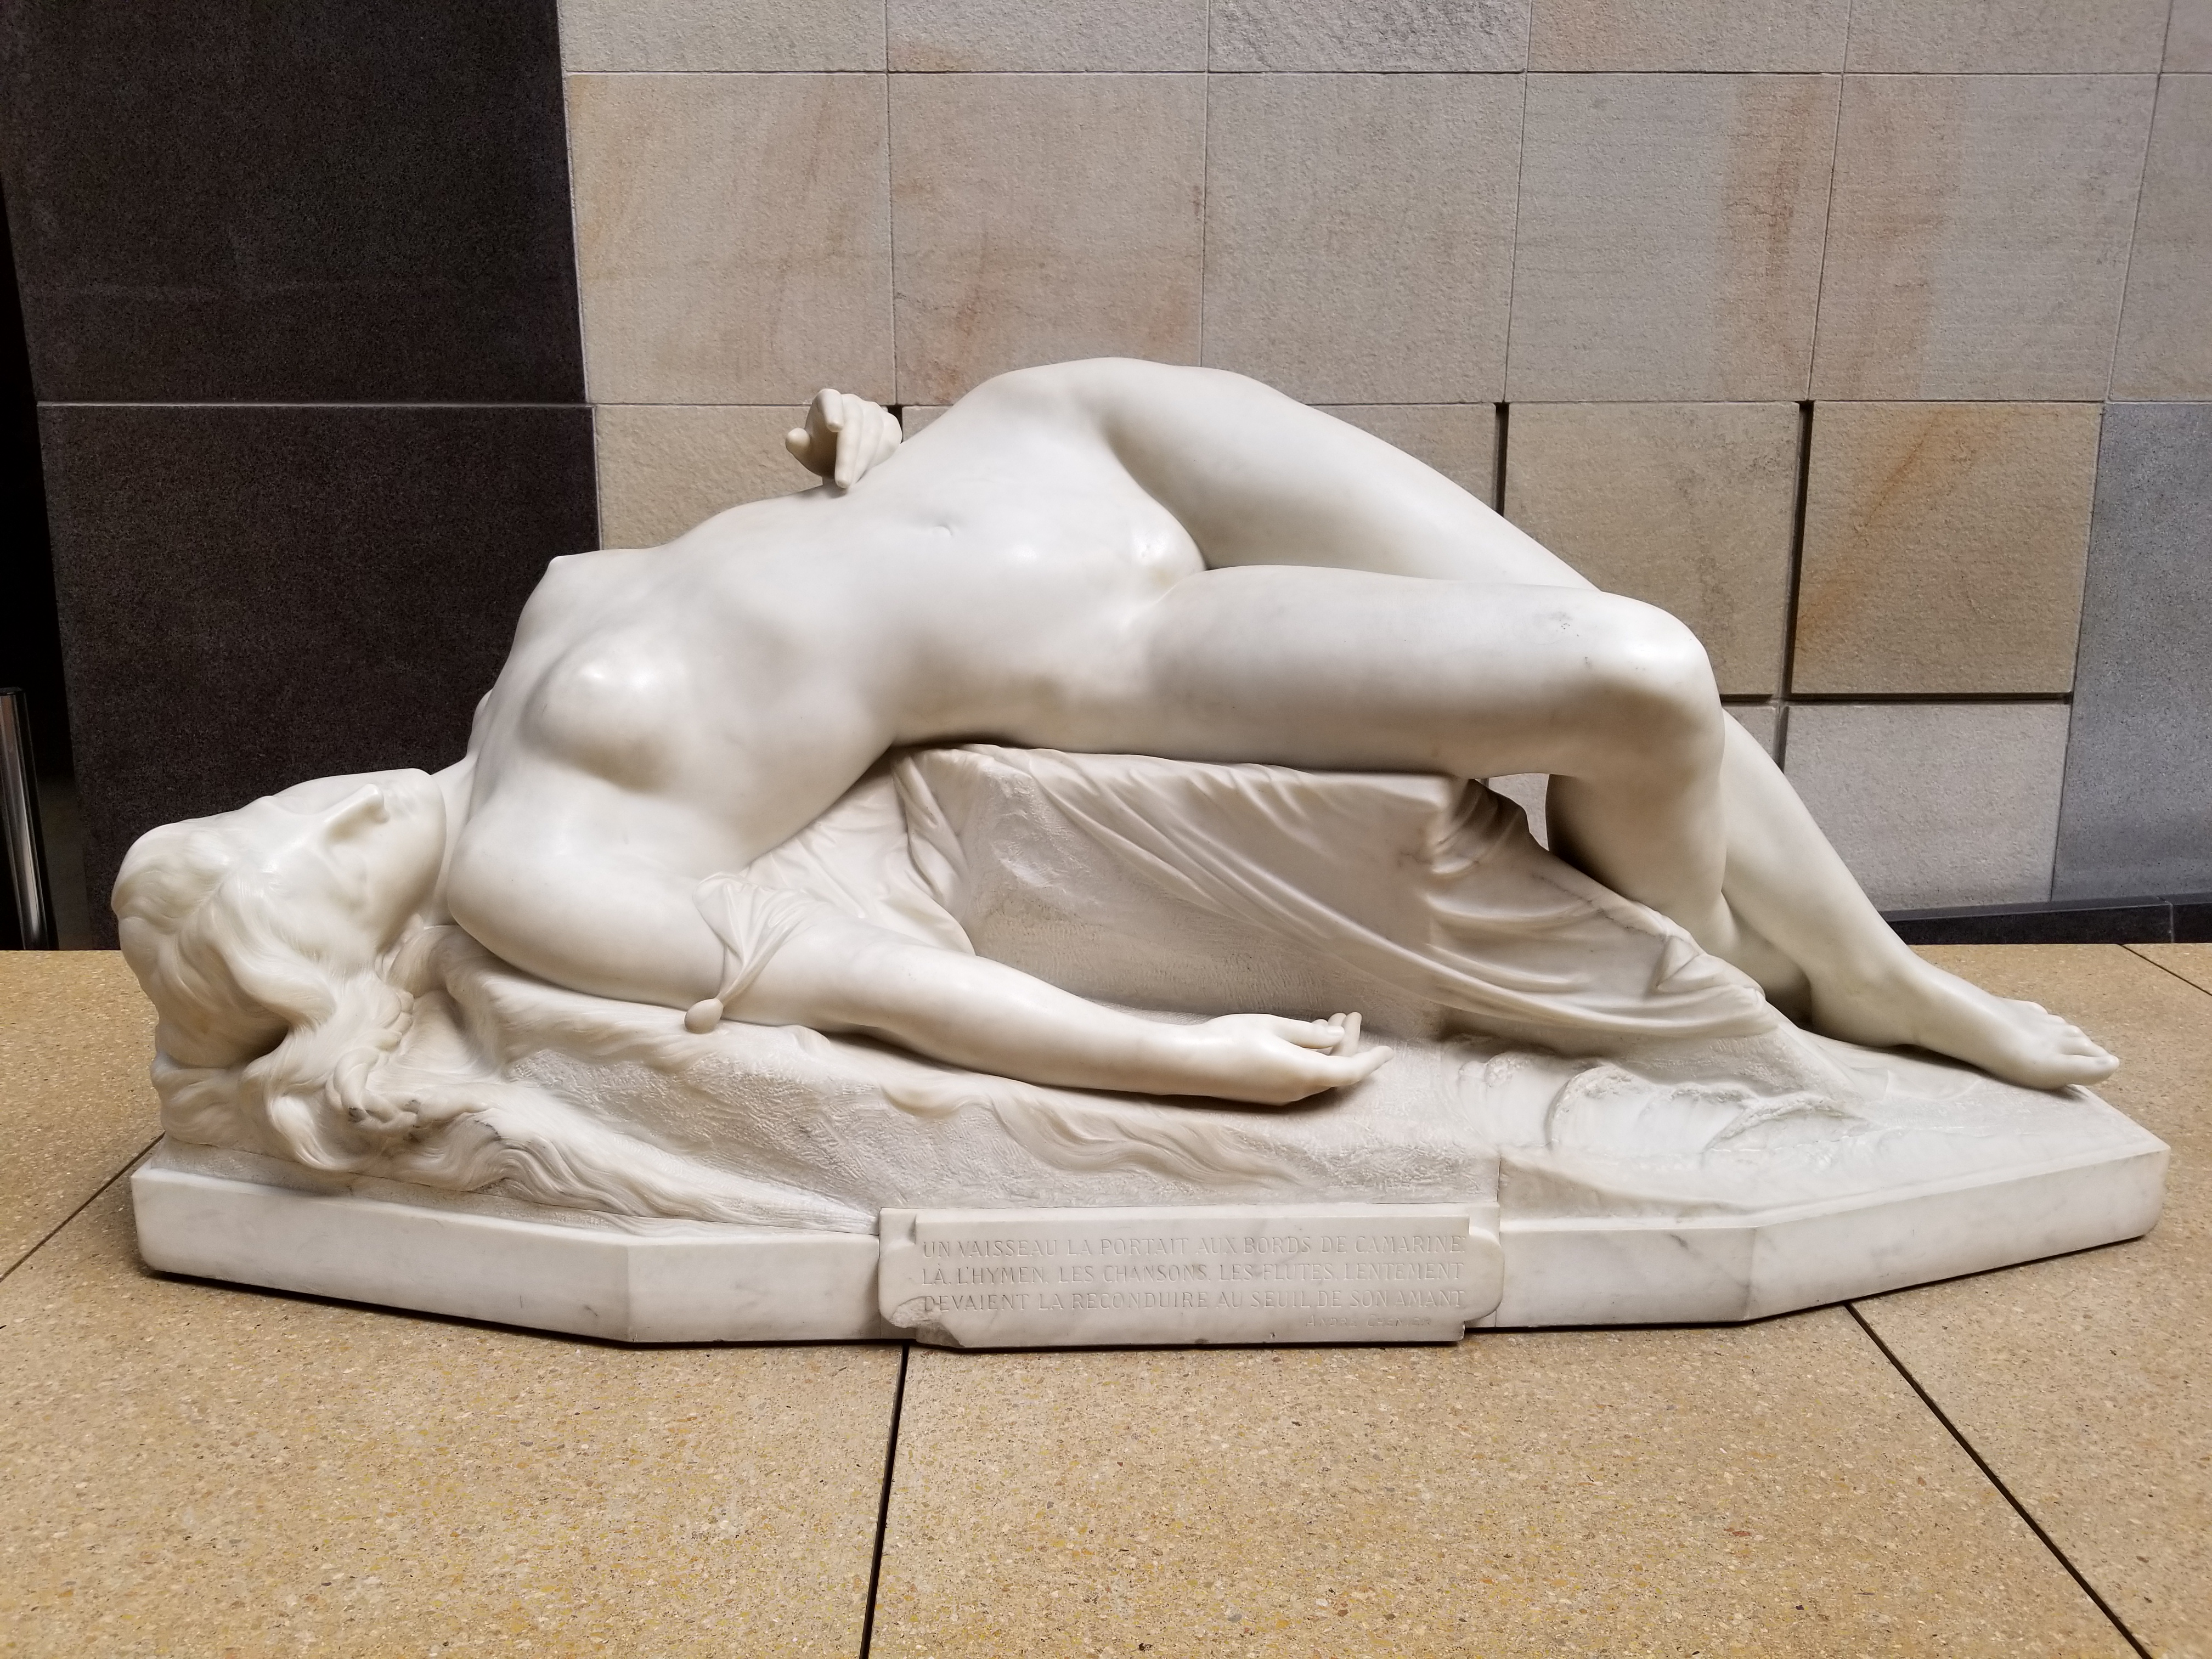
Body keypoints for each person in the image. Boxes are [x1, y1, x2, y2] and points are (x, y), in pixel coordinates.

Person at [120, 360, 2113, 1123]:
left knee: (1566, 592)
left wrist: (858, 461)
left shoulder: (507, 688)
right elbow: (884, 987)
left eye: (255, 815)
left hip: (1062, 426)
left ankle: (1872, 966)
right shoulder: (534, 880)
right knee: (1639, 674)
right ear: (341, 956)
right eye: (293, 879)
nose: (317, 817)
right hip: (1114, 642)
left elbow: (787, 589)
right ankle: (1740, 985)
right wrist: (1188, 1061)